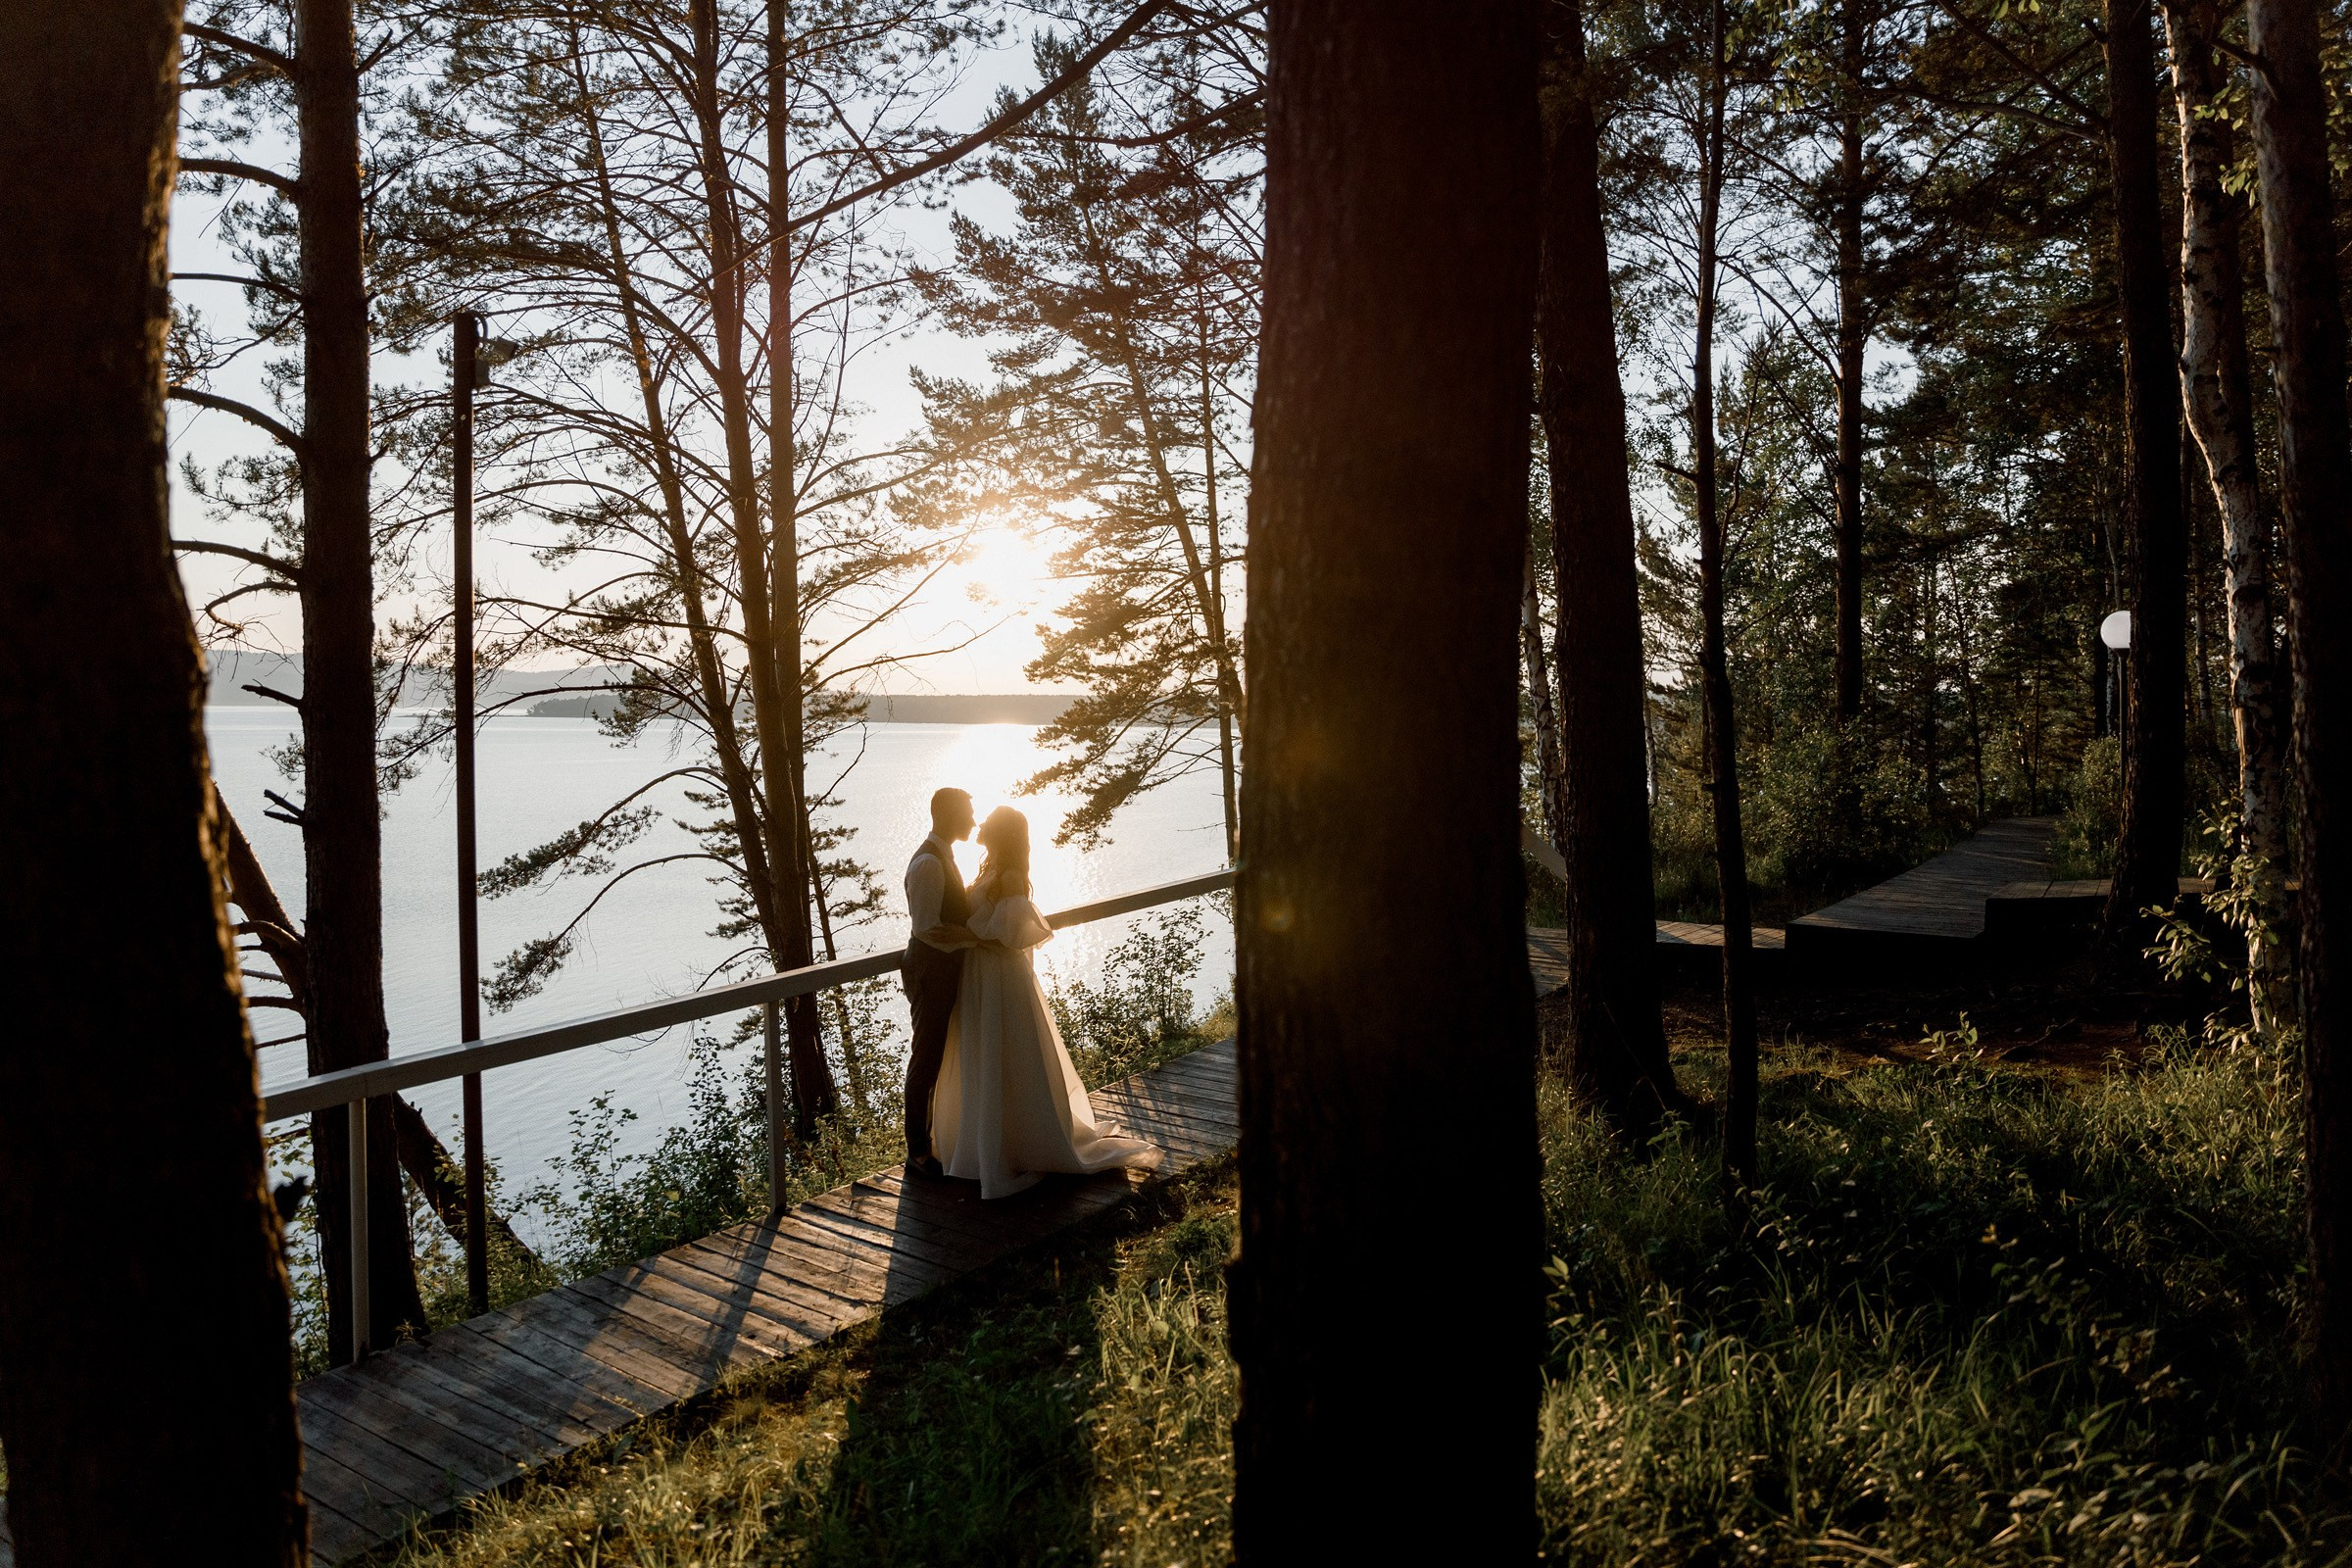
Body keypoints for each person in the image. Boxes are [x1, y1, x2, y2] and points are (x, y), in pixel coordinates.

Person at [930, 807, 1162, 1199]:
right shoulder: (993, 870)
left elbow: (1014, 935)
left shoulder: (1011, 876)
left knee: (1008, 1051)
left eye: (988, 822)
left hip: (999, 975)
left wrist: (963, 935)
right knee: (984, 1053)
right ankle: (988, 1141)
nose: (980, 824)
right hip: (980, 975)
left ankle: (1015, 1145)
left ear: (1002, 833)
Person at [902, 787, 977, 1179]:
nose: (973, 820)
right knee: (927, 1055)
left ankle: (940, 1136)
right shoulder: (929, 863)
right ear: (947, 815)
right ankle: (917, 1151)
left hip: (941, 968)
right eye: (967, 812)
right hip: (930, 969)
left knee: (934, 1054)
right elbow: (929, 929)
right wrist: (978, 938)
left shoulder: (942, 856)